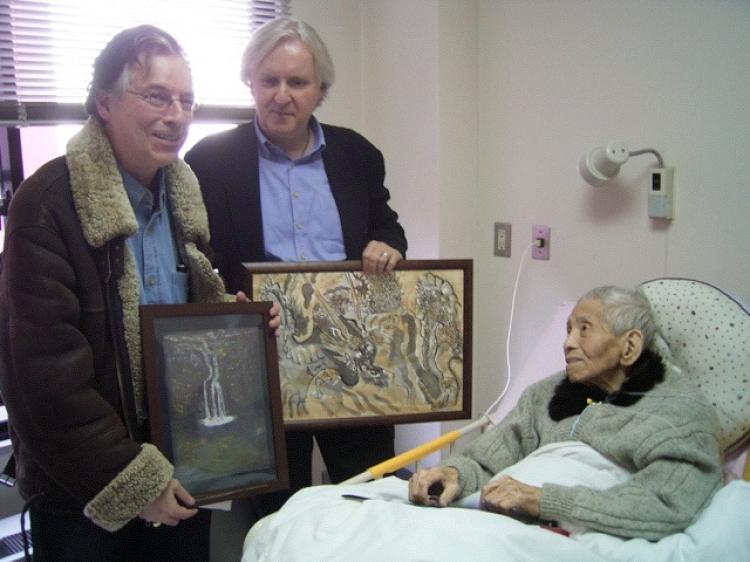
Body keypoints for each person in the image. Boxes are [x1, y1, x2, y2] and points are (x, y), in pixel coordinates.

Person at [0, 25, 279, 561]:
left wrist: (231, 324)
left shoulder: (183, 195)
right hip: (85, 491)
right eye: (156, 96)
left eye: (186, 100)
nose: (176, 115)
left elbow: (182, 317)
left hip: (183, 468)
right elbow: (42, 378)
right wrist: (132, 480)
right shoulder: (47, 206)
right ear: (105, 102)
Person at [185, 17, 408, 511]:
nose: (281, 95)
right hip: (260, 364)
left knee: (369, 499)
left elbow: (386, 224)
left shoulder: (358, 155)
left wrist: (388, 244)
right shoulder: (209, 160)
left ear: (320, 90)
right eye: (269, 80)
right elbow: (192, 258)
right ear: (251, 82)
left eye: (297, 82)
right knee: (274, 510)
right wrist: (221, 300)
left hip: (354, 364)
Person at [408, 286, 724, 540]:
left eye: (584, 329)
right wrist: (454, 474)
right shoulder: (543, 394)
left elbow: (665, 504)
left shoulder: (678, 413)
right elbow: (486, 459)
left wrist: (544, 500)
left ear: (629, 346)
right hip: (498, 518)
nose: (568, 343)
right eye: (568, 329)